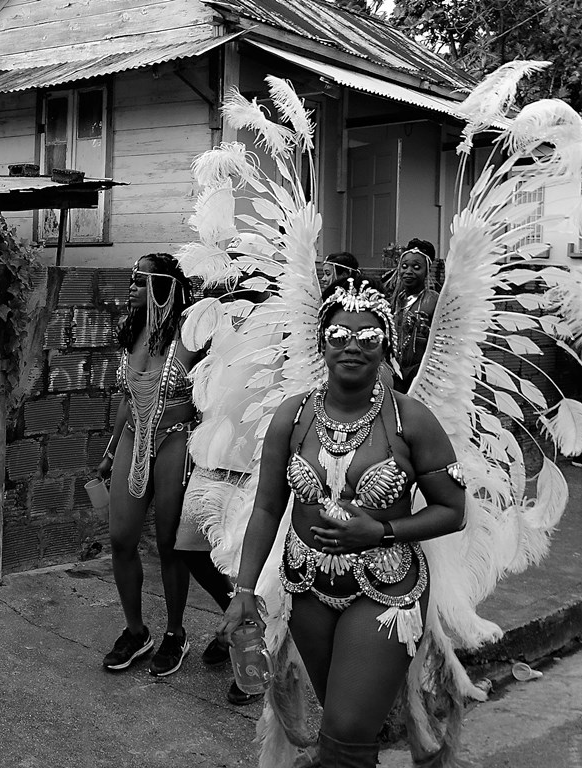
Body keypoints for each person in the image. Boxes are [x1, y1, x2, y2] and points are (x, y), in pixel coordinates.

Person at [217, 278, 466, 767]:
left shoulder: (411, 421)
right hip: (307, 582)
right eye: (339, 335)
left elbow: (453, 512)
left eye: (368, 337)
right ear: (322, 343)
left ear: (386, 348)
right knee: (341, 721)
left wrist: (381, 531)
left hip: (387, 586)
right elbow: (268, 507)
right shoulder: (294, 416)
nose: (352, 345)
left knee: (349, 727)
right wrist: (244, 588)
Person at [180, 232, 286, 704]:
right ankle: (236, 619)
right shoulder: (217, 316)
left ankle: (251, 661)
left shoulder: (282, 320)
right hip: (210, 459)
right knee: (188, 550)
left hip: (255, 466)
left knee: (248, 567)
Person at [97, 253, 202, 677]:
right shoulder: (133, 331)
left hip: (176, 439)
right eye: (132, 279)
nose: (132, 287)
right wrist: (108, 454)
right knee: (121, 538)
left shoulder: (191, 336)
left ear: (162, 287)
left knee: (170, 544)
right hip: (131, 438)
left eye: (141, 281)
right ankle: (136, 631)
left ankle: (176, 633)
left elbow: (210, 394)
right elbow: (126, 398)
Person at [389, 239, 439, 391]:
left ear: (427, 271)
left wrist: (425, 331)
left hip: (421, 374)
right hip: (394, 371)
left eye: (416, 267)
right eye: (404, 266)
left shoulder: (433, 300)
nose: (408, 271)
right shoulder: (395, 300)